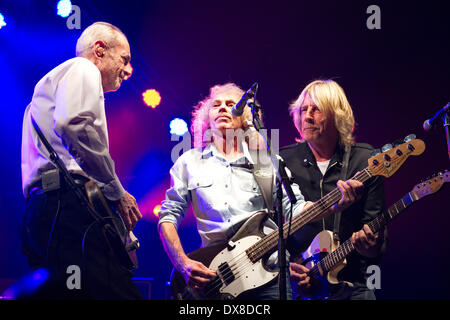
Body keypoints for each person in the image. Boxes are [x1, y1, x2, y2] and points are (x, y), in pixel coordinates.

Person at [158, 83, 363, 300]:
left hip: (270, 274)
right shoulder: (188, 162)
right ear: (206, 118)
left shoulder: (267, 161)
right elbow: (167, 217)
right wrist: (182, 262)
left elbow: (296, 209)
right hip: (217, 275)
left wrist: (334, 204)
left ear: (245, 116)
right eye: (216, 105)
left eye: (230, 104)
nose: (223, 108)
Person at [20, 22, 143, 299]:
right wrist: (116, 192)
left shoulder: (49, 89)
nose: (128, 70)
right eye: (124, 59)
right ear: (99, 50)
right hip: (65, 208)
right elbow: (73, 124)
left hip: (42, 209)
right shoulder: (83, 68)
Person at [280, 79, 387, 300]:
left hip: (353, 284)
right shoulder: (283, 161)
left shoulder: (366, 159)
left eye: (316, 109)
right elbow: (272, 225)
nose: (307, 116)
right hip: (298, 287)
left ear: (336, 115)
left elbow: (375, 240)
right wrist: (284, 268)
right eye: (303, 109)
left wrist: (370, 246)